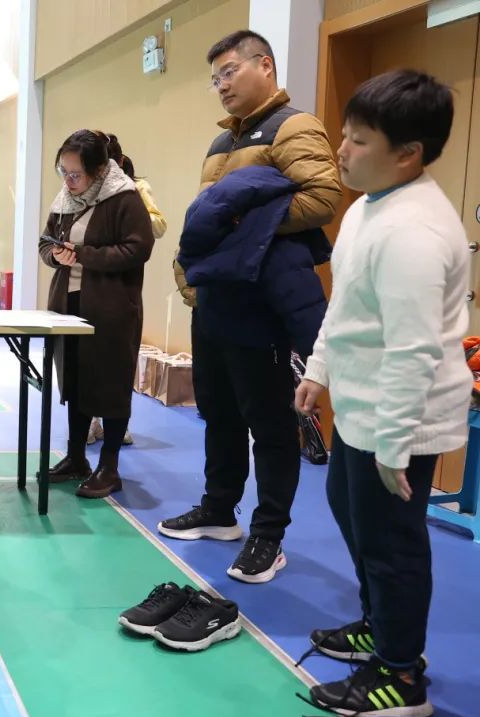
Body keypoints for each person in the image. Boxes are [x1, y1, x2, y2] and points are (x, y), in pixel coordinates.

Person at [296, 70, 469, 717]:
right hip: (364, 406)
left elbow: (413, 350)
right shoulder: (370, 207)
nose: (341, 151)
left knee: (391, 542)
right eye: (345, 135)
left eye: (359, 140)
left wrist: (394, 446)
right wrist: (319, 370)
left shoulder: (413, 232)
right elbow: (345, 305)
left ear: (408, 154)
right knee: (348, 508)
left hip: (402, 418)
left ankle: (401, 675)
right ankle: (380, 624)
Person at [159, 30, 342, 584]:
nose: (221, 84)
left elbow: (322, 198)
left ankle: (269, 534)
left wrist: (240, 233)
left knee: (269, 422)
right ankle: (220, 510)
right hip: (215, 301)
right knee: (218, 412)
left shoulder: (294, 126)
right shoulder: (222, 143)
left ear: (265, 65)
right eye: (215, 77)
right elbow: (207, 217)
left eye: (230, 71)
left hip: (259, 306)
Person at [39, 130, 154, 499]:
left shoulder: (124, 198)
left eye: (75, 174)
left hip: (110, 310)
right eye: (63, 172)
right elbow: (46, 242)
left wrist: (83, 255)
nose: (68, 182)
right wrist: (55, 256)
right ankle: (76, 457)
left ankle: (109, 467)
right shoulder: (65, 199)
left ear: (100, 171)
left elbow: (137, 250)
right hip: (69, 306)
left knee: (109, 386)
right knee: (75, 382)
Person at [88, 148, 167, 446]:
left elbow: (158, 227)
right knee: (89, 359)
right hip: (89, 281)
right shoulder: (80, 190)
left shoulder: (136, 189)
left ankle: (116, 423)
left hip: (122, 285)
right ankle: (91, 421)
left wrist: (132, 206)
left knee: (118, 359)